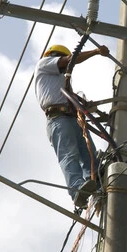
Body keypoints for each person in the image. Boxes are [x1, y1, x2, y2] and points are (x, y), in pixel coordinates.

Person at [34, 43, 110, 208]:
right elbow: (70, 60)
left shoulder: (60, 79)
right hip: (58, 119)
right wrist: (96, 51)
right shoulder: (44, 63)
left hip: (73, 118)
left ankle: (96, 184)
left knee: (89, 156)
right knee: (69, 155)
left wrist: (88, 105)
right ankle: (77, 190)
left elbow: (71, 97)